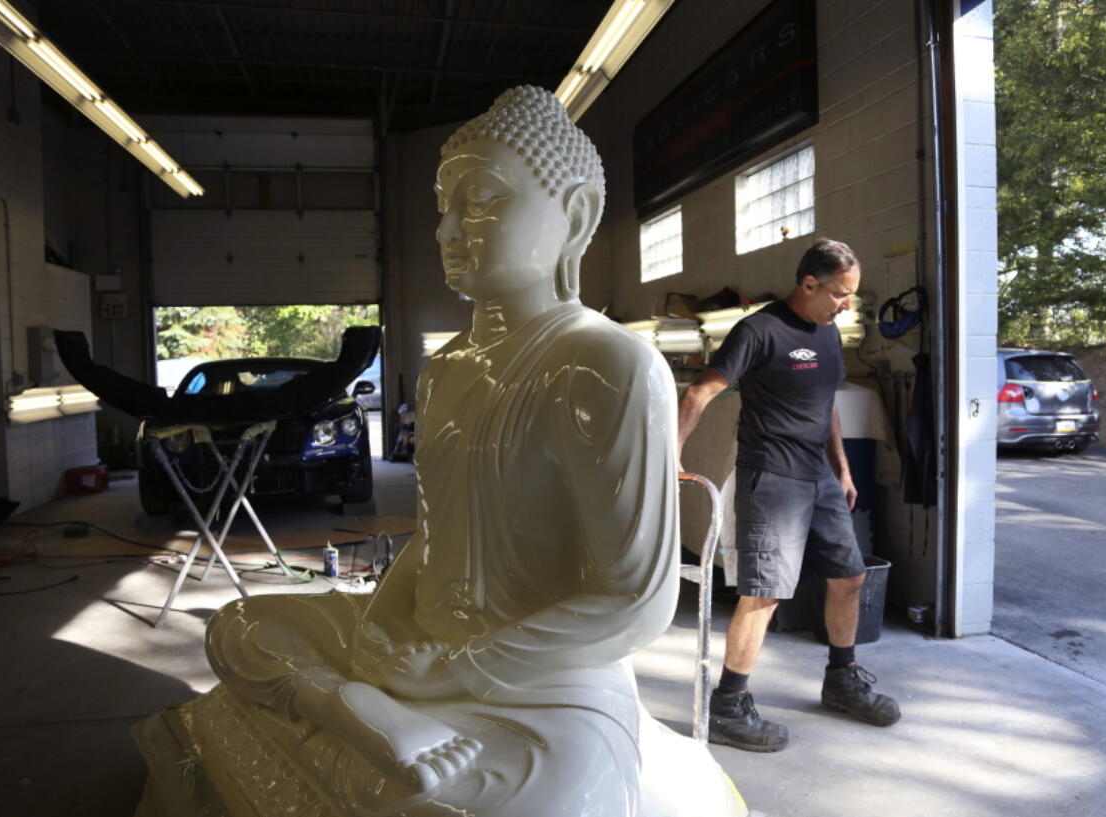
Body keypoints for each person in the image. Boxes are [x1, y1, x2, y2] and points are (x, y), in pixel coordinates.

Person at [185, 86, 746, 817]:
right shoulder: (446, 369)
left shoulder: (608, 366)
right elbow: (433, 535)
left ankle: (352, 720)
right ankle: (354, 711)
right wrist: (383, 628)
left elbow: (633, 597)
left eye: (480, 200)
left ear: (573, 216)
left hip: (543, 681)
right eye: (443, 206)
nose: (448, 228)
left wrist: (461, 666)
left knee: (531, 805)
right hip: (419, 644)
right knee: (239, 627)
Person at [677, 238, 901, 753]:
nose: (847, 305)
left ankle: (841, 679)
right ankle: (729, 706)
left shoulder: (828, 335)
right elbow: (699, 392)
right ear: (809, 284)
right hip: (772, 477)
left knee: (849, 577)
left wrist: (842, 470)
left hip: (818, 476)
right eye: (841, 294)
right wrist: (673, 456)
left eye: (851, 295)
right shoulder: (759, 330)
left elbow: (828, 407)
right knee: (767, 594)